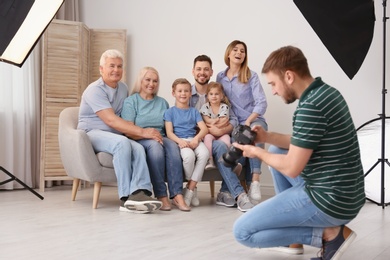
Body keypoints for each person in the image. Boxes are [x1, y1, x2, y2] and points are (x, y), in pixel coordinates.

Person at [232, 46, 365, 260]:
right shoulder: (325, 93)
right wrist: (266, 137)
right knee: (277, 148)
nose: (273, 91)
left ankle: (329, 234)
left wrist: (256, 152)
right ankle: (294, 240)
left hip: (330, 200)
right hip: (347, 194)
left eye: (273, 84)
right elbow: (302, 142)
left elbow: (292, 168)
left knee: (242, 232)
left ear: (289, 76)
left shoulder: (310, 106)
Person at [77, 49, 162, 213]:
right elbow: (111, 120)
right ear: (101, 69)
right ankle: (125, 198)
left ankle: (141, 192)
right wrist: (143, 132)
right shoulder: (94, 89)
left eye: (119, 66)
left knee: (138, 148)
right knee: (122, 143)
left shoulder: (123, 88)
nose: (116, 70)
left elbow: (125, 116)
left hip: (114, 134)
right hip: (91, 133)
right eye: (111, 66)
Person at [190, 55, 255, 212]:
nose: (202, 72)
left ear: (211, 72)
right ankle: (239, 195)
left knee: (240, 142)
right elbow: (182, 121)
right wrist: (206, 129)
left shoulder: (219, 92)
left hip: (221, 134)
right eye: (199, 69)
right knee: (220, 146)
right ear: (193, 71)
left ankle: (225, 192)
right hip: (200, 139)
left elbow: (232, 120)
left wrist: (221, 130)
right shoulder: (186, 93)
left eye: (206, 69)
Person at [120, 67, 190, 212]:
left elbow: (167, 128)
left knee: (173, 148)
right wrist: (147, 134)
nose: (151, 84)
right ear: (140, 80)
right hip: (140, 138)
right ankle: (161, 195)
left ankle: (177, 194)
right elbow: (128, 130)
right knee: (156, 149)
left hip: (161, 136)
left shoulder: (162, 102)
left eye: (155, 81)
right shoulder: (131, 101)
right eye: (148, 80)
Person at [216, 40, 268, 205]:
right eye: (236, 50)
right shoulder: (220, 77)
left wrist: (249, 120)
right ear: (228, 54)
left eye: (243, 51)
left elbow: (262, 102)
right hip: (233, 124)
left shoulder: (251, 75)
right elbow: (218, 101)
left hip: (253, 119)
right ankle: (228, 191)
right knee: (236, 149)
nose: (239, 53)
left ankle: (255, 181)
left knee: (251, 132)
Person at [164, 78, 209, 207]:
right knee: (189, 156)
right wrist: (180, 142)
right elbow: (169, 132)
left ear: (190, 93)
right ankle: (192, 188)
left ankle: (190, 189)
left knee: (204, 154)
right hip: (180, 141)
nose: (183, 94)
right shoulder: (170, 112)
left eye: (186, 91)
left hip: (193, 139)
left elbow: (204, 129)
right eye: (180, 91)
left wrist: (196, 139)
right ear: (173, 93)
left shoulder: (194, 111)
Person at [199, 82, 232, 170]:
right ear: (207, 96)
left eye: (216, 94)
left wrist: (212, 122)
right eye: (211, 94)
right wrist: (215, 120)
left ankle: (230, 160)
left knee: (228, 141)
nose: (214, 96)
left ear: (221, 96)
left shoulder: (224, 107)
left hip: (222, 133)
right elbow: (206, 119)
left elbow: (224, 121)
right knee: (207, 139)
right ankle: (210, 160)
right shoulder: (205, 107)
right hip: (210, 133)